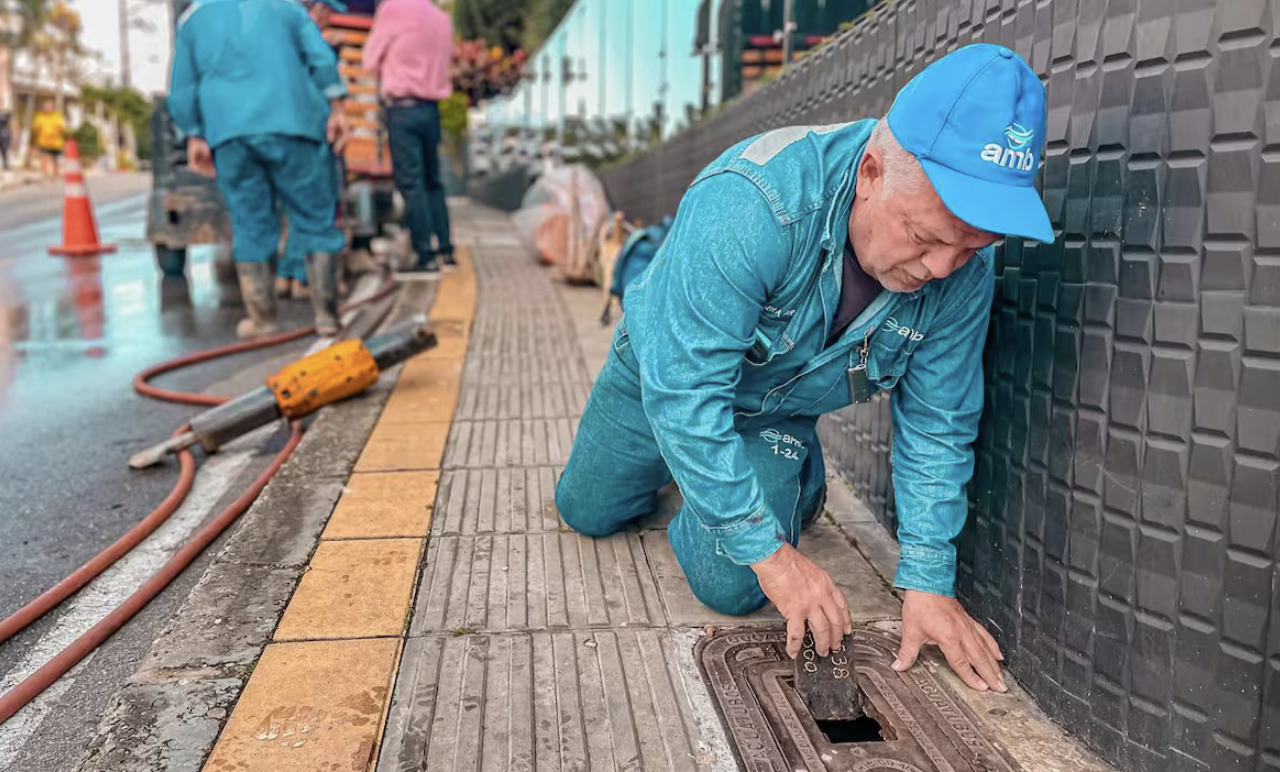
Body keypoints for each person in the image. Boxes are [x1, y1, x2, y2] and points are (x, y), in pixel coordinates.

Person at [555, 44, 1055, 694]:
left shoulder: (961, 272)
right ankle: (715, 478)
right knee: (587, 510)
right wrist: (772, 552)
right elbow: (685, 390)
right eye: (927, 238)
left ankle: (780, 475)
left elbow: (938, 423)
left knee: (732, 585)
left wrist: (927, 580)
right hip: (666, 373)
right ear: (871, 173)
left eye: (970, 247)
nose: (941, 270)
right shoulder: (754, 203)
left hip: (775, 412)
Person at [168, 0, 349, 338]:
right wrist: (337, 105)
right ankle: (327, 316)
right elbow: (320, 56)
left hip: (230, 132)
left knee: (249, 222)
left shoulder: (193, 19)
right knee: (315, 217)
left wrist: (193, 134)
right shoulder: (286, 8)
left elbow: (183, 85)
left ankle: (263, 319)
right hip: (293, 123)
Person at [363, 0, 455, 276]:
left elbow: (370, 59)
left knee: (411, 182)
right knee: (433, 181)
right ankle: (446, 250)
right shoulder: (441, 18)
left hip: (402, 109)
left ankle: (423, 254)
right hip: (431, 109)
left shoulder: (392, 10)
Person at [30, 100, 67, 178]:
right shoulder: (39, 117)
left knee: (56, 159)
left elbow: (64, 127)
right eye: (45, 107)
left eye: (49, 107)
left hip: (56, 142)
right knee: (44, 158)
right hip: (43, 142)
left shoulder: (58, 116)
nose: (47, 108)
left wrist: (63, 127)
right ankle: (45, 174)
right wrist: (34, 142)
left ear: (53, 108)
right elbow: (35, 129)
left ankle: (56, 174)